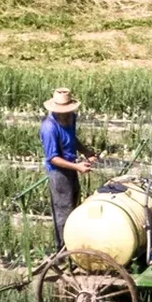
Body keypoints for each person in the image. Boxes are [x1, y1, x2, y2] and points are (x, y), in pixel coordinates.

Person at [40, 88, 97, 250]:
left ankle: (75, 245)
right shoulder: (49, 128)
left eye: (69, 111)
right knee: (63, 212)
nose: (67, 114)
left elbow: (72, 138)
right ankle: (63, 251)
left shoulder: (71, 118)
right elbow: (53, 158)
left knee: (75, 207)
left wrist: (85, 152)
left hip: (71, 167)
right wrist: (77, 166)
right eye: (63, 112)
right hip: (58, 173)